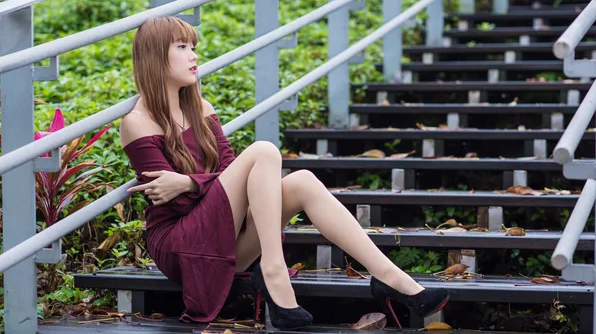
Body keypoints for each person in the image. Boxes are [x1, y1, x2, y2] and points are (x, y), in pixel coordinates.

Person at [119, 16, 449, 330]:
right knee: (264, 150)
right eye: (182, 47)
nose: (194, 56)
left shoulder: (200, 109)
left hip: (224, 234)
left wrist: (189, 181)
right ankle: (274, 270)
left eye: (194, 47)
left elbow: (227, 170)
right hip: (182, 246)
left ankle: (389, 276)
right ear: (154, 55)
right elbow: (173, 201)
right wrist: (194, 185)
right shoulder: (138, 123)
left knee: (302, 180)